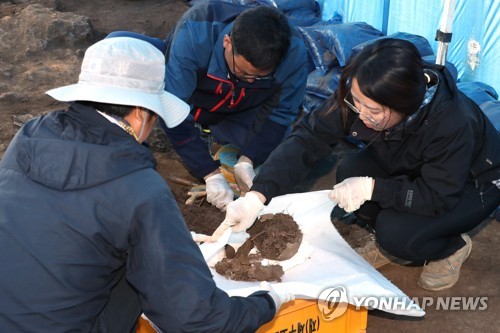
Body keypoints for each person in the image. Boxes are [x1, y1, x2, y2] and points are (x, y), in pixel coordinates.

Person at [0, 37, 293, 332]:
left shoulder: (29, 136)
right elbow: (197, 320)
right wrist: (270, 302)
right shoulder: (139, 188)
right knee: (143, 272)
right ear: (141, 113)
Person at [205, 38, 500, 291]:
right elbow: (309, 138)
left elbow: (437, 195)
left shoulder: (450, 123)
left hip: (471, 184)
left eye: (372, 110)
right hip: (415, 163)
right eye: (356, 102)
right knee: (349, 172)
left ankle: (451, 247)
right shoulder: (364, 92)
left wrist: (375, 188)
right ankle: (388, 229)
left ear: (405, 106)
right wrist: (258, 195)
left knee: (398, 234)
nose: (360, 114)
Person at [160, 1, 307, 210]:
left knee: (275, 154)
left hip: (247, 104)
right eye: (243, 72)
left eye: (259, 76)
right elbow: (171, 108)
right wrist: (210, 174)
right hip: (199, 95)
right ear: (227, 42)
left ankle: (230, 148)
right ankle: (206, 137)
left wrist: (248, 160)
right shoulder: (196, 31)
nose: (249, 79)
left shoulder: (293, 52)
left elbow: (281, 114)